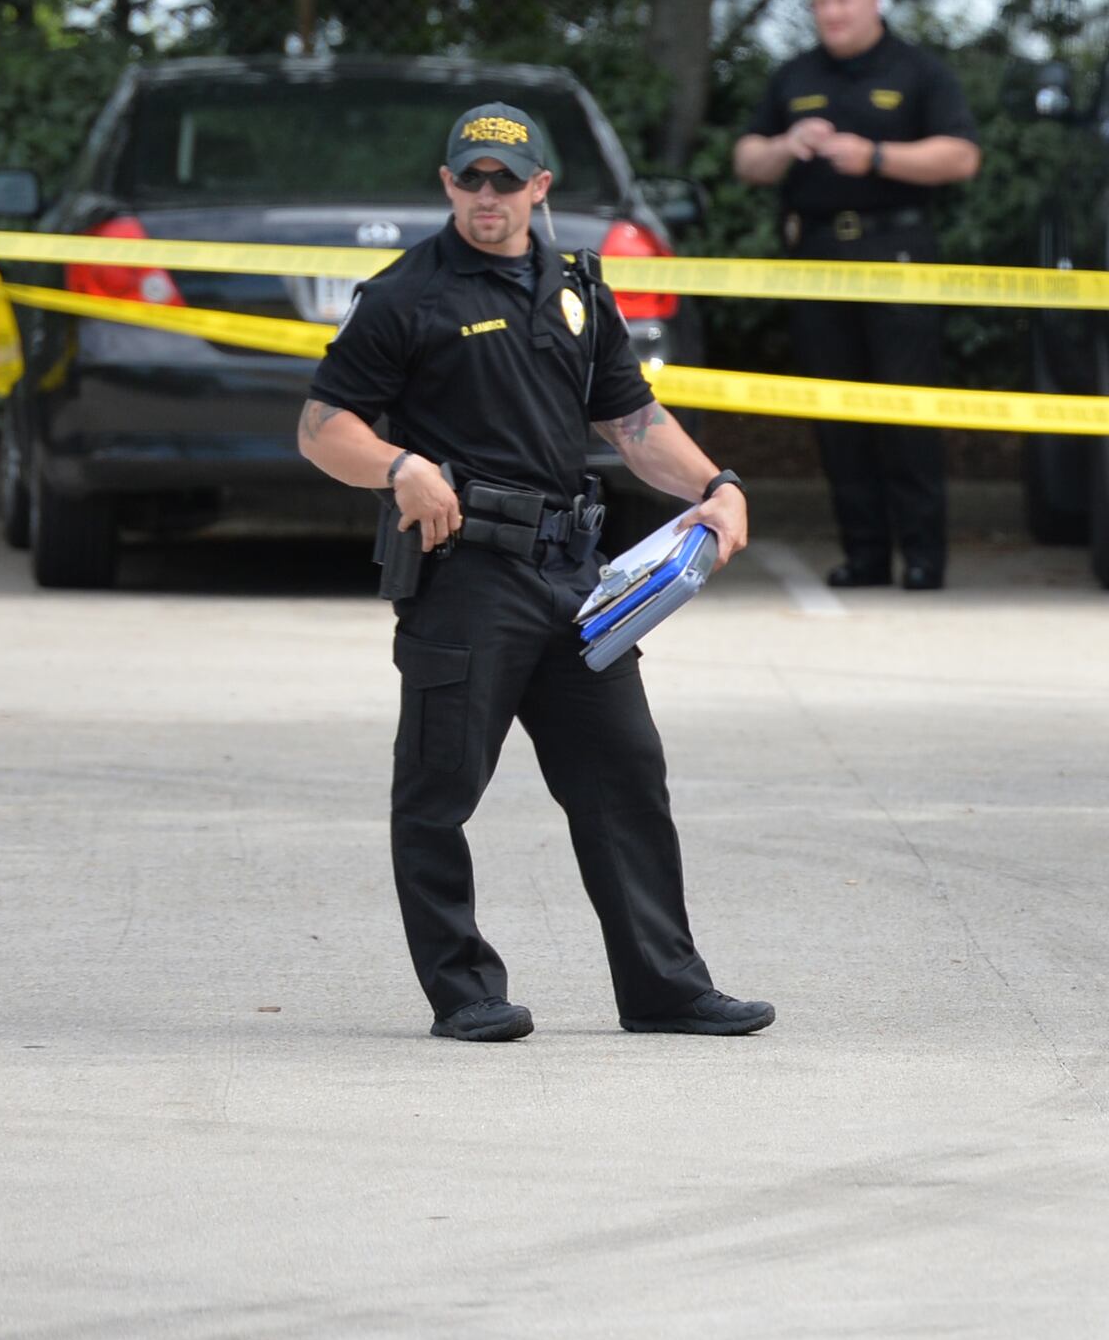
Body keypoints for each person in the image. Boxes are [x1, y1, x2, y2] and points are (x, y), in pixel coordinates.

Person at [295, 102, 771, 1044]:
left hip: (574, 578)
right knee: (439, 790)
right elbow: (322, 428)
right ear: (446, 184)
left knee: (626, 777)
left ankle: (665, 988)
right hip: (465, 575)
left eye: (505, 180)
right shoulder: (406, 294)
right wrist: (399, 467)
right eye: (469, 176)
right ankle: (465, 991)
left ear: (539, 188)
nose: (486, 194)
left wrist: (716, 486)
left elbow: (632, 424)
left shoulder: (576, 289)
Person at [730, 0, 981, 589]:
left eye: (844, 1)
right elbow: (747, 160)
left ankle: (923, 558)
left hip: (896, 255)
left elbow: (961, 156)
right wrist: (788, 146)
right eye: (821, 3)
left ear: (874, 0)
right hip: (815, 260)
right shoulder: (794, 77)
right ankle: (864, 556)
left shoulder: (918, 71)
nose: (832, 14)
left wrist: (874, 156)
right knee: (835, 414)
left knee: (906, 411)